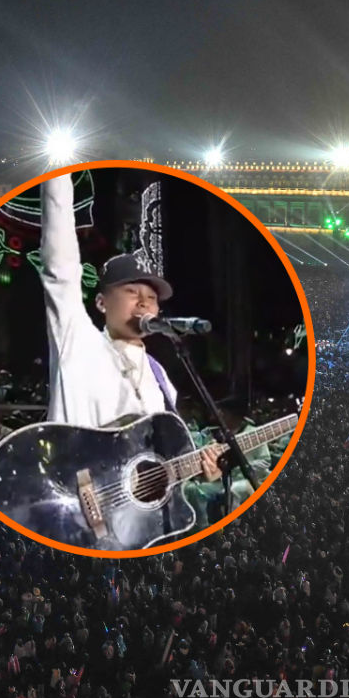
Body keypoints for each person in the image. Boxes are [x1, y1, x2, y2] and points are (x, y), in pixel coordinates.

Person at [39, 172, 223, 486]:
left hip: (137, 526)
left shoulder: (160, 376)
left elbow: (156, 469)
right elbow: (61, 265)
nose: (143, 303)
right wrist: (58, 173)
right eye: (131, 292)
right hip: (76, 510)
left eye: (151, 298)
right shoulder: (77, 340)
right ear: (100, 303)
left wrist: (200, 473)